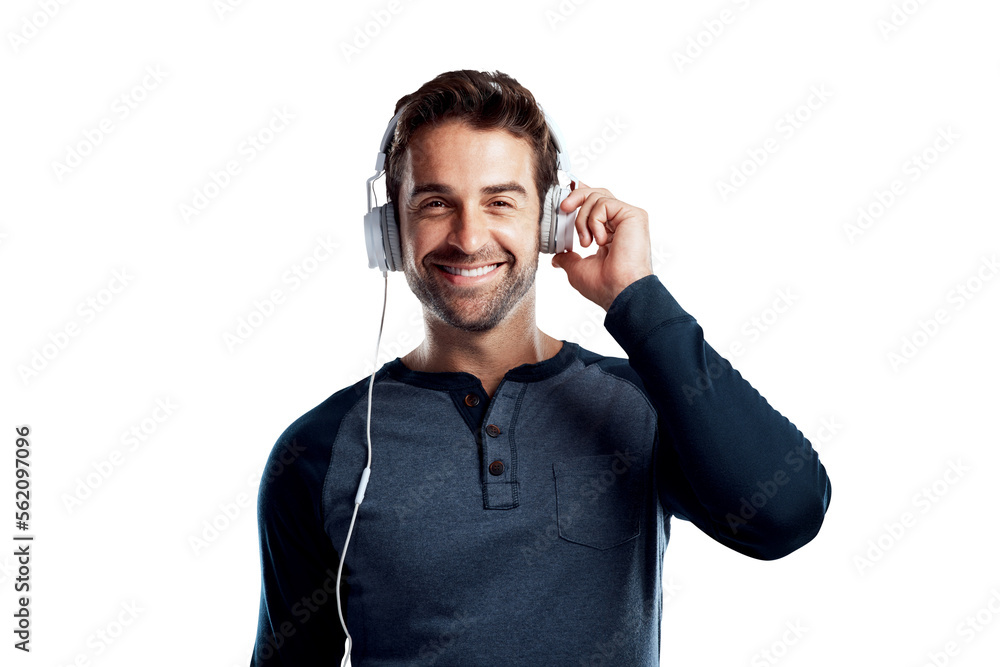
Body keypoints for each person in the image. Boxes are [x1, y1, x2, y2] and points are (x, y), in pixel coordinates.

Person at [251, 69, 831, 666]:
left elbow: (785, 515)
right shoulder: (320, 450)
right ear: (390, 231)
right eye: (434, 202)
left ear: (549, 220)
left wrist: (637, 299)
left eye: (500, 201)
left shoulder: (643, 404)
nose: (469, 237)